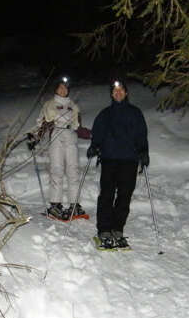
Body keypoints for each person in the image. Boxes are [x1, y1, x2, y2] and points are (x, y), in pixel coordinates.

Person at [87, 80, 149, 249]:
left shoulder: (135, 113)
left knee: (124, 196)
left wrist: (144, 152)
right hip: (109, 159)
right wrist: (94, 146)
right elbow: (98, 134)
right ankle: (104, 230)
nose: (118, 93)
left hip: (130, 160)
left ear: (126, 93)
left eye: (121, 90)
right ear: (111, 94)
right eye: (115, 90)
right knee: (107, 194)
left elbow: (141, 135)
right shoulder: (105, 114)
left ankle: (117, 229)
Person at [28, 77, 88, 220]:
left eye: (65, 87)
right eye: (60, 87)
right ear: (56, 89)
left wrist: (92, 135)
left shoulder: (73, 106)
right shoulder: (49, 104)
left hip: (70, 136)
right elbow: (42, 123)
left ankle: (75, 205)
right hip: (56, 135)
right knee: (57, 169)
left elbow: (78, 126)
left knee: (73, 170)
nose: (63, 90)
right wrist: (34, 137)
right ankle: (55, 205)